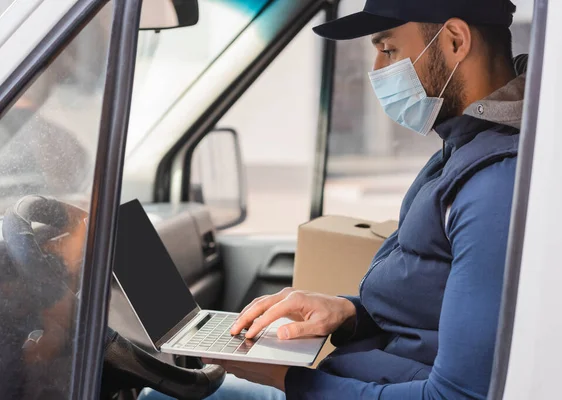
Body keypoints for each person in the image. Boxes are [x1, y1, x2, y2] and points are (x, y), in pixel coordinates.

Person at [139, 0, 525, 398]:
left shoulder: (494, 183)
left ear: (455, 40)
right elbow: (428, 312)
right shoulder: (462, 150)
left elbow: (456, 396)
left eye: (388, 49)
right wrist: (347, 314)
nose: (376, 71)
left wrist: (285, 379)